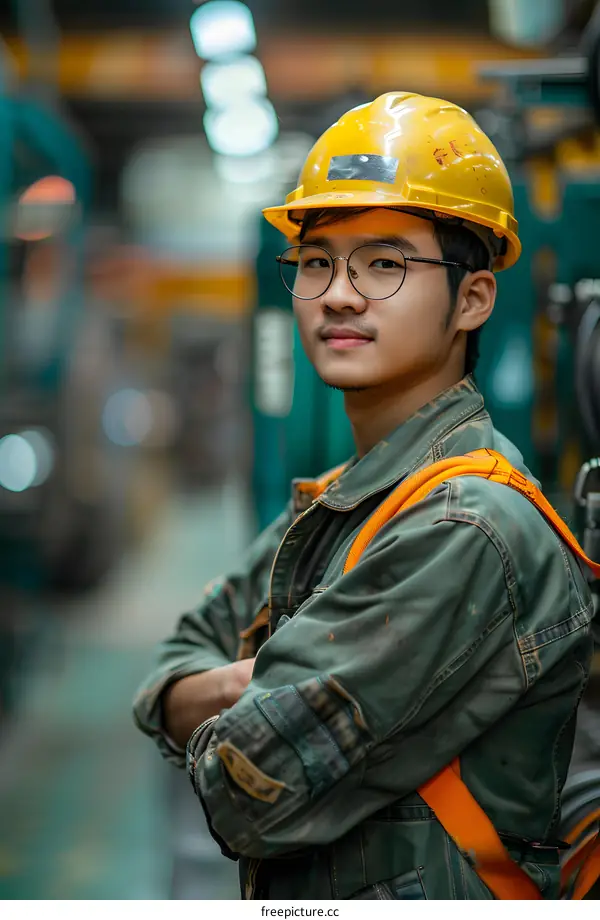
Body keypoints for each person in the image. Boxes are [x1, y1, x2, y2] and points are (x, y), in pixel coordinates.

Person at [133, 92, 595, 900]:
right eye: (317, 262)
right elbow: (165, 676)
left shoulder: (467, 527)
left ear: (473, 300)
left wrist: (242, 682)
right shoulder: (348, 499)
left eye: (386, 263)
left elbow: (243, 785)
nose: (340, 295)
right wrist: (256, 685)